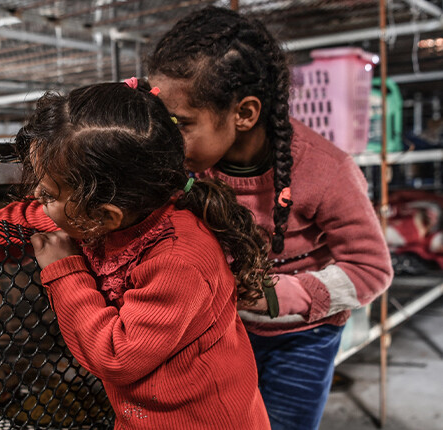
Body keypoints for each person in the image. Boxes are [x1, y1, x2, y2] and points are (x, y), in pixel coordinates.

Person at [0, 80, 271, 429]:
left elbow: (117, 356)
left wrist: (64, 270)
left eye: (48, 193)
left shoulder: (177, 260)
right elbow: (24, 218)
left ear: (104, 216)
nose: (37, 197)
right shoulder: (108, 216)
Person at [143, 6, 393, 429]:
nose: (169, 139)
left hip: (301, 338)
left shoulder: (326, 170)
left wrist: (277, 296)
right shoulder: (191, 163)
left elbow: (372, 269)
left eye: (181, 124)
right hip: (222, 328)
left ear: (244, 114)